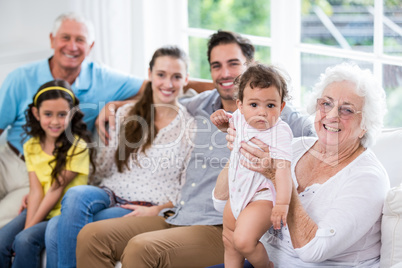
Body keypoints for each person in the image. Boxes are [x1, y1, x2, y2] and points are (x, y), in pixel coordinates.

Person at [75, 30, 315, 268]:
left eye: (233, 64)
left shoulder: (277, 114)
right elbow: (164, 97)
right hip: (179, 214)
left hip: (221, 224)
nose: (225, 74)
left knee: (142, 249)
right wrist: (115, 105)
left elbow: (320, 133)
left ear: (250, 68)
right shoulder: (203, 103)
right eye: (216, 66)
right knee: (91, 236)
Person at [211, 62, 390, 267]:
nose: (332, 116)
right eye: (326, 104)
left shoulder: (368, 179)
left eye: (347, 110)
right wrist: (239, 150)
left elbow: (313, 251)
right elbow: (220, 202)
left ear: (365, 125)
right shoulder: (293, 147)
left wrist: (276, 176)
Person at [44, 45, 194, 267]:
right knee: (76, 194)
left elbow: (188, 186)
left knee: (55, 228)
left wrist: (158, 210)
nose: (168, 83)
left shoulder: (190, 128)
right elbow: (105, 165)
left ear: (186, 80)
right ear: (150, 74)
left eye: (176, 76)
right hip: (111, 192)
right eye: (161, 75)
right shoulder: (126, 113)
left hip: (145, 205)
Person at [0, 12, 147, 228]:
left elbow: (156, 87)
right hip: (8, 158)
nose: (72, 46)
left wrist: (115, 104)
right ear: (52, 40)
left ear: (91, 46)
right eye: (65, 38)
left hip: (41, 175)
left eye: (80, 40)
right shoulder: (21, 78)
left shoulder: (103, 78)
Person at [0, 80, 95, 268]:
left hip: (64, 214)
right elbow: (36, 191)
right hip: (41, 205)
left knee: (25, 240)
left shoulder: (78, 146)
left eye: (62, 115)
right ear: (36, 113)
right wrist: (29, 223)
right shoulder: (31, 145)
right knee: (3, 241)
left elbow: (54, 191)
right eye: (48, 114)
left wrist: (28, 229)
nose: (54, 121)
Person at [210, 63, 292, 268]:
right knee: (229, 240)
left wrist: (282, 204)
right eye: (254, 105)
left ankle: (267, 266)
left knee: (244, 241)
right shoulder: (239, 118)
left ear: (281, 107)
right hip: (238, 192)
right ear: (240, 105)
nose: (262, 113)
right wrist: (222, 122)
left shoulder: (279, 132)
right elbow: (231, 123)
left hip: (262, 195)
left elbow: (282, 169)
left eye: (270, 105)